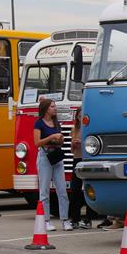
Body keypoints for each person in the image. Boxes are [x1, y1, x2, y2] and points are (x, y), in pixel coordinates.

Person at [33, 97, 72, 231]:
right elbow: (37, 142)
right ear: (45, 109)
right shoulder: (39, 123)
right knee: (44, 191)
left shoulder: (56, 123)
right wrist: (51, 137)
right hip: (45, 156)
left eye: (54, 106)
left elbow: (60, 139)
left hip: (57, 156)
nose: (54, 108)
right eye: (52, 106)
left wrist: (60, 139)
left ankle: (65, 220)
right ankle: (46, 220)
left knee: (62, 190)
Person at [68, 109, 95, 229]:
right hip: (77, 159)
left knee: (88, 188)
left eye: (82, 115)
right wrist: (73, 144)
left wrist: (82, 143)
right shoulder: (74, 130)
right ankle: (75, 218)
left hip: (87, 160)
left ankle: (88, 219)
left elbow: (93, 145)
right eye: (78, 116)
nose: (80, 118)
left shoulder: (89, 129)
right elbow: (71, 151)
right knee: (75, 190)